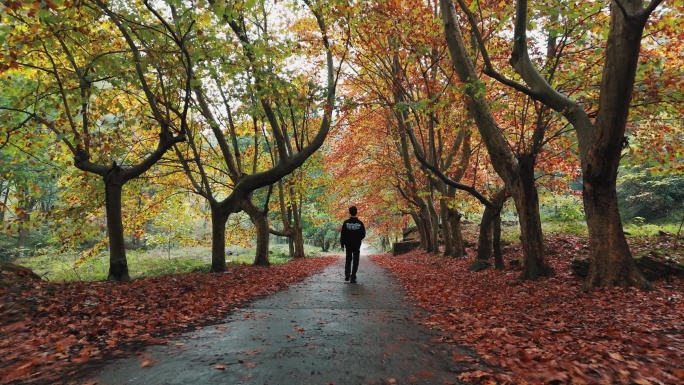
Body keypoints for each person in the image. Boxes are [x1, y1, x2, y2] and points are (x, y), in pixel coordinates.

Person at [340, 206, 365, 283]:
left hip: (348, 244)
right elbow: (363, 234)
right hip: (356, 244)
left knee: (348, 259)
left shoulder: (346, 223)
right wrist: (357, 239)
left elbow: (343, 234)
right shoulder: (360, 223)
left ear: (349, 212)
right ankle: (353, 277)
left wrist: (342, 244)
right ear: (356, 212)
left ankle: (347, 275)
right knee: (356, 260)